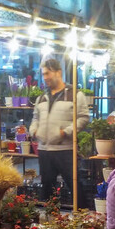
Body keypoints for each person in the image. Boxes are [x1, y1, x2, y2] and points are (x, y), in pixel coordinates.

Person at [29, 59, 89, 207]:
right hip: (44, 150)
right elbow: (35, 118)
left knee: (74, 185)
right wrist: (33, 130)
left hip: (65, 150)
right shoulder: (41, 98)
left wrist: (65, 132)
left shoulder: (75, 95)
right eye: (43, 74)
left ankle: (83, 216)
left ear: (58, 72)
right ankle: (49, 221)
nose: (45, 77)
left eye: (48, 73)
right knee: (46, 187)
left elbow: (83, 118)